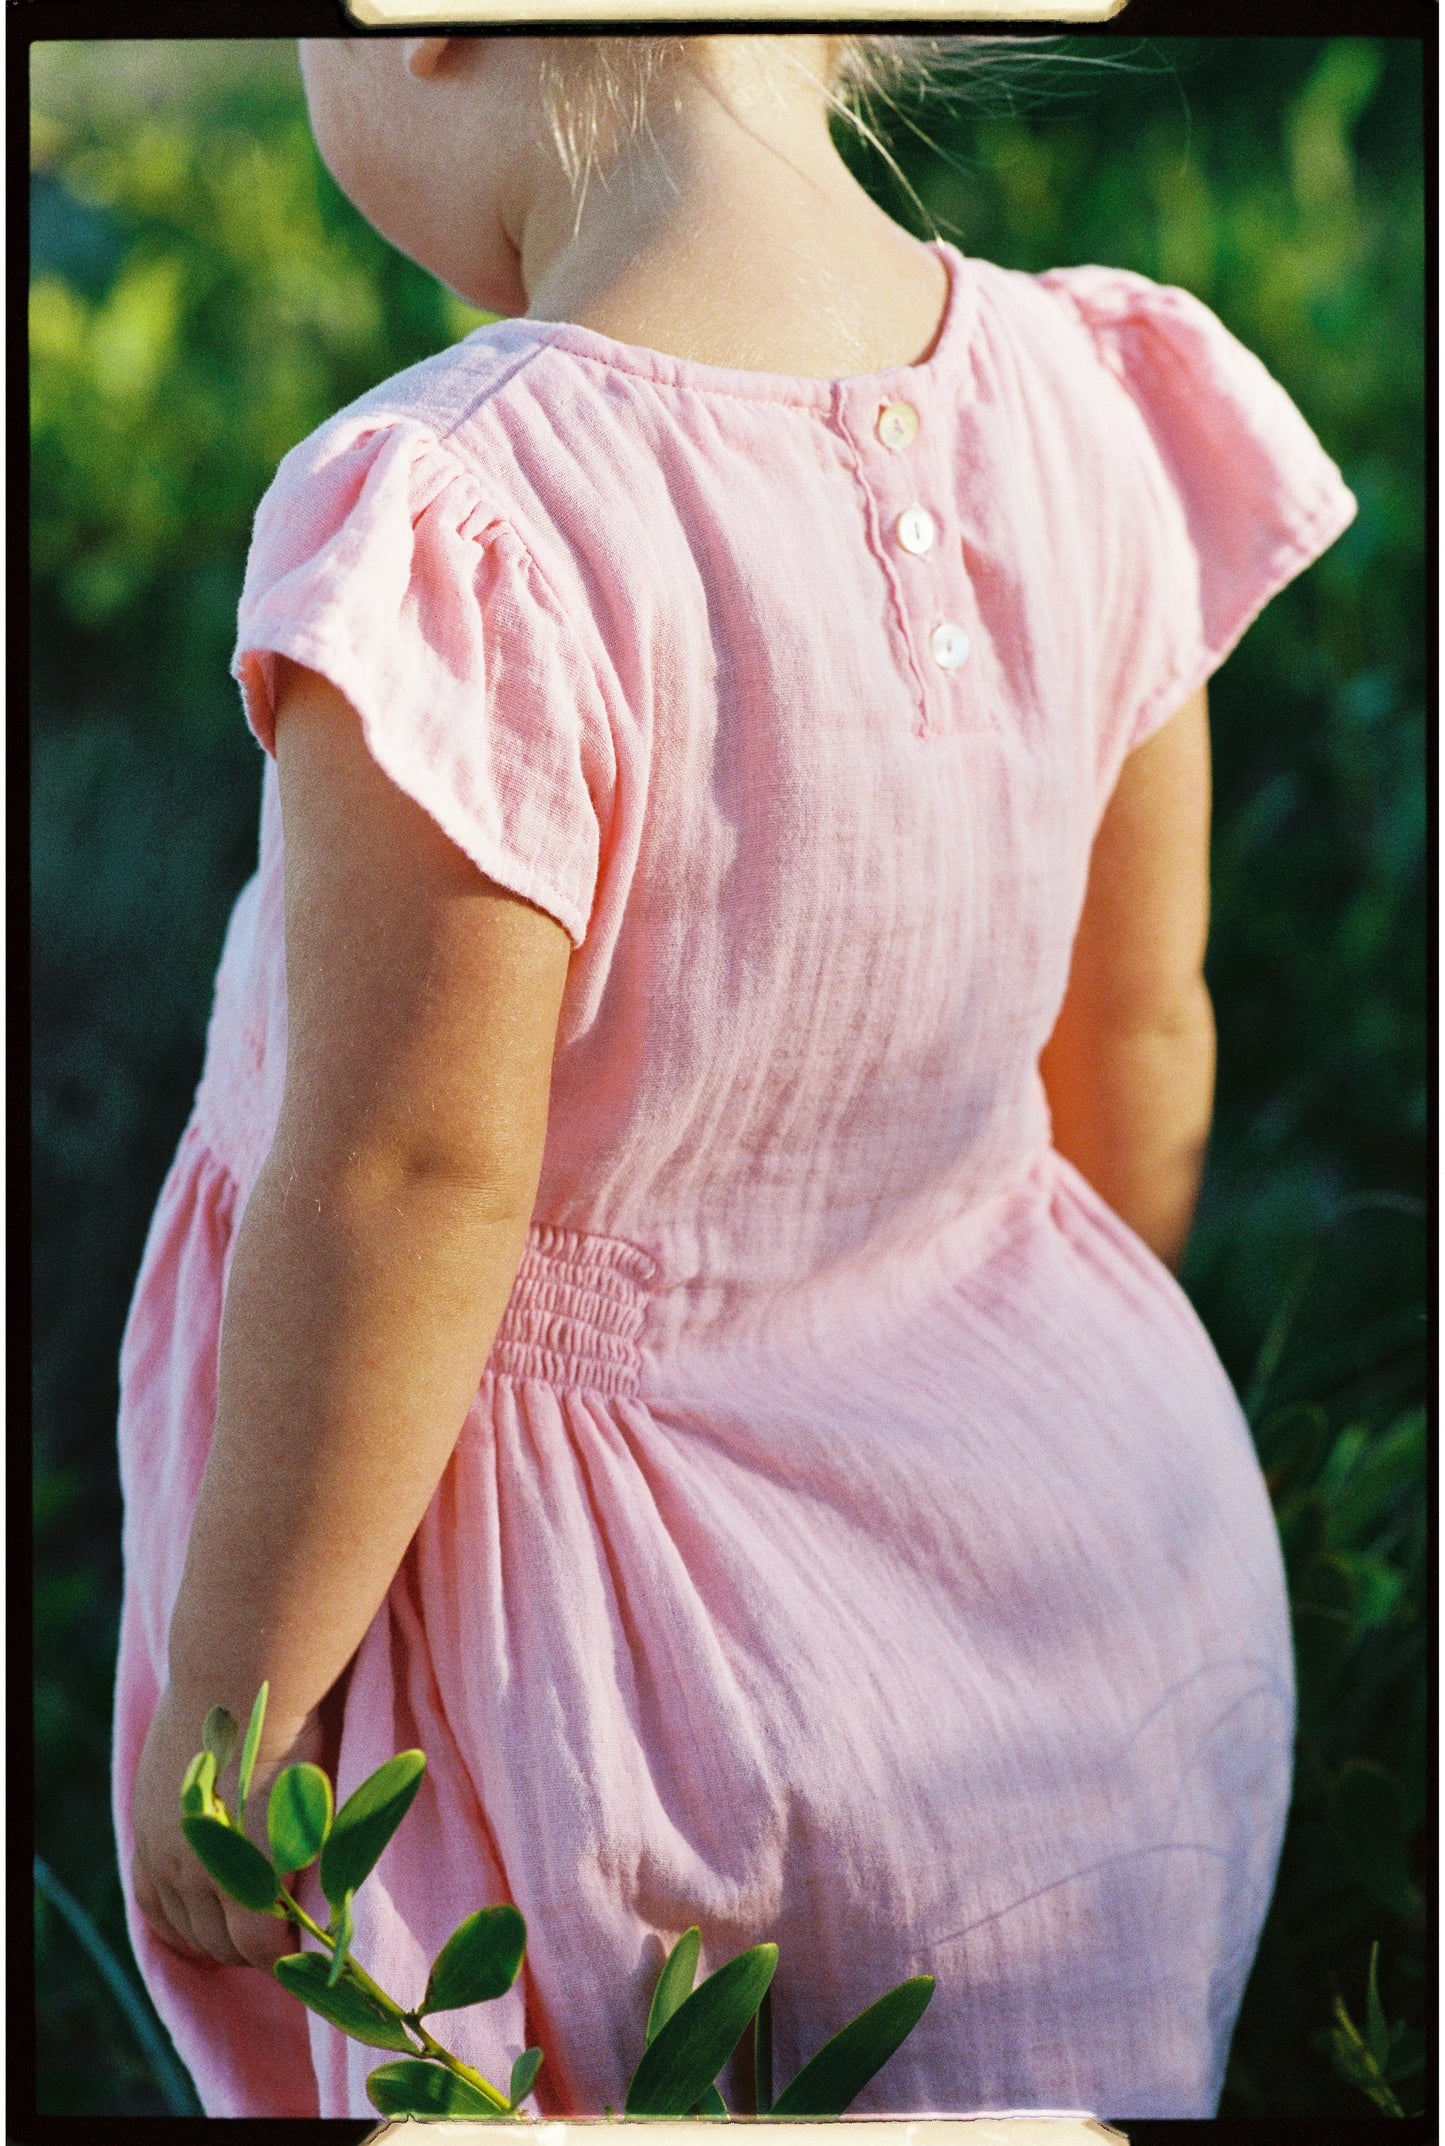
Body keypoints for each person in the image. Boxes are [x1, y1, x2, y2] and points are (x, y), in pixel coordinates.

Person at [116, 32, 1356, 2122]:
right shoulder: (1090, 402)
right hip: (1089, 1596)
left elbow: (409, 1184)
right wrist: (1011, 1410)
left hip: (613, 1688)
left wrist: (228, 1735)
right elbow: (1143, 1034)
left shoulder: (466, 519)